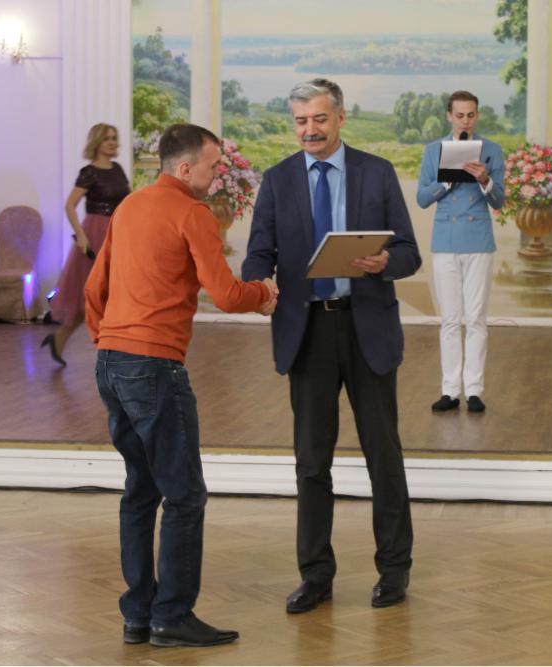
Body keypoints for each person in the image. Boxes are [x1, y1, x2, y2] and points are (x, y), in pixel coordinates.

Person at [85, 123, 277, 647]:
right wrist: (264, 293)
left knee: (140, 490)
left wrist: (110, 341)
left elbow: (94, 288)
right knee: (185, 495)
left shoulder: (129, 207)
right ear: (186, 167)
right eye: (213, 167)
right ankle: (171, 615)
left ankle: (138, 614)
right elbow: (228, 295)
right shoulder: (193, 214)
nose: (217, 176)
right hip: (154, 366)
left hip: (111, 363)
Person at [242, 79, 420, 612]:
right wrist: (260, 283)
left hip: (367, 329)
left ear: (340, 118)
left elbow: (409, 252)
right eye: (301, 121)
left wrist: (385, 261)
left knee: (383, 455)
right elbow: (258, 254)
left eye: (319, 119)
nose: (310, 130)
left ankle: (394, 570)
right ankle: (316, 575)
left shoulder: (376, 172)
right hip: (307, 333)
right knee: (311, 461)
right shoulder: (277, 180)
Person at [416, 91, 505, 413]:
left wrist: (484, 180)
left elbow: (499, 200)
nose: (465, 121)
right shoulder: (433, 151)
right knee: (450, 319)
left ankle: (475, 390)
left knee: (476, 318)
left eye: (470, 115)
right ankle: (450, 390)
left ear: (476, 116)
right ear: (449, 116)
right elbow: (422, 199)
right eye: (459, 115)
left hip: (478, 239)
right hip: (446, 240)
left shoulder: (491, 150)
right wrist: (447, 181)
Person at [42, 123, 130, 366]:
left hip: (116, 232)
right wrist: (81, 235)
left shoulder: (118, 169)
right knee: (91, 296)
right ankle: (110, 351)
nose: (111, 142)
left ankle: (60, 341)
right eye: (106, 138)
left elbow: (128, 200)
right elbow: (70, 205)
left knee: (112, 293)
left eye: (114, 138)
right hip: (94, 235)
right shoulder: (89, 172)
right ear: (97, 142)